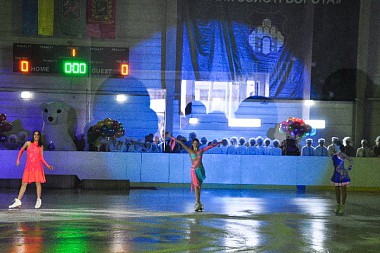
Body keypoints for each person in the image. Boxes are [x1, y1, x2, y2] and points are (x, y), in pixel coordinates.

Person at [167, 132, 221, 212]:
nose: (195, 144)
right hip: (194, 171)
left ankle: (199, 202)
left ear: (198, 144)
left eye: (197, 143)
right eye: (194, 143)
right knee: (196, 186)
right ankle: (197, 202)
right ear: (192, 144)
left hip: (200, 170)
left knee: (199, 187)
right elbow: (181, 142)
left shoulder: (201, 151)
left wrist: (219, 143)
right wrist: (171, 137)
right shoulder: (189, 151)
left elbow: (210, 147)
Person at [9, 130, 54, 209]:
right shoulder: (28, 143)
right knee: (24, 183)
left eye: (37, 135)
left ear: (39, 136)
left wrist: (48, 166)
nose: (36, 136)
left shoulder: (40, 146)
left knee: (38, 183)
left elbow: (41, 158)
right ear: (33, 135)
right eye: (34, 134)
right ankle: (18, 200)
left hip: (37, 167)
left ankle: (38, 199)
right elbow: (21, 150)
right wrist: (18, 160)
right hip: (29, 167)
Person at [331, 140, 353, 216]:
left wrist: (349, 168)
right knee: (337, 190)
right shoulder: (334, 154)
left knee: (343, 190)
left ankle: (342, 206)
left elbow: (351, 160)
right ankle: (338, 205)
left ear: (338, 145)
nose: (334, 146)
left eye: (335, 145)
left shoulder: (342, 154)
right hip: (336, 174)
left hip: (342, 174)